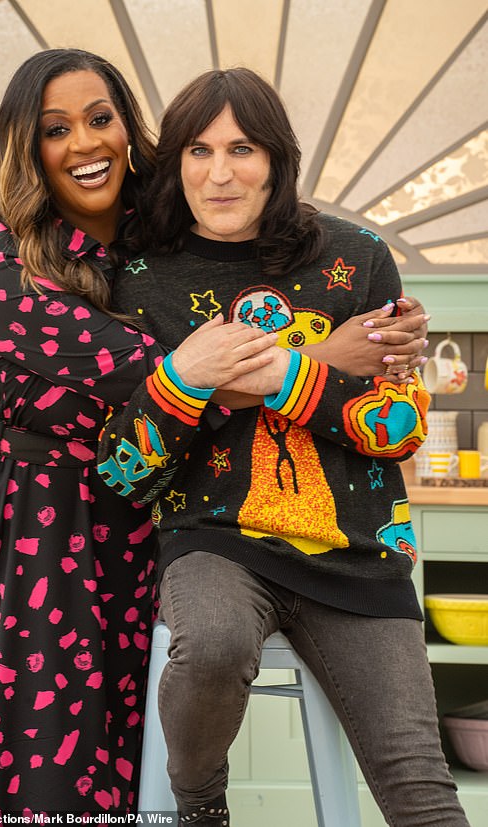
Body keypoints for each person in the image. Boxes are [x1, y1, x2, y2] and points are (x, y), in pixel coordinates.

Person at [0, 49, 283, 816]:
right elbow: (168, 372)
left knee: (113, 728)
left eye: (100, 118)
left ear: (125, 127)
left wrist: (362, 311)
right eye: (56, 129)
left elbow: (263, 233)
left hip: (117, 499)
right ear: (28, 147)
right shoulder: (5, 267)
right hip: (3, 508)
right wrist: (331, 362)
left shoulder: (158, 222)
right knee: (20, 728)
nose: (85, 143)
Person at [97, 68, 470, 827]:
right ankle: (201, 805)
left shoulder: (357, 257)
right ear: (174, 163)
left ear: (277, 158)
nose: (220, 172)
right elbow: (123, 466)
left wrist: (271, 373)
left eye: (243, 148)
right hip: (215, 544)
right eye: (198, 151)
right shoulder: (136, 276)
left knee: (422, 792)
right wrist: (314, 364)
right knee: (210, 646)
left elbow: (397, 425)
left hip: (357, 551)